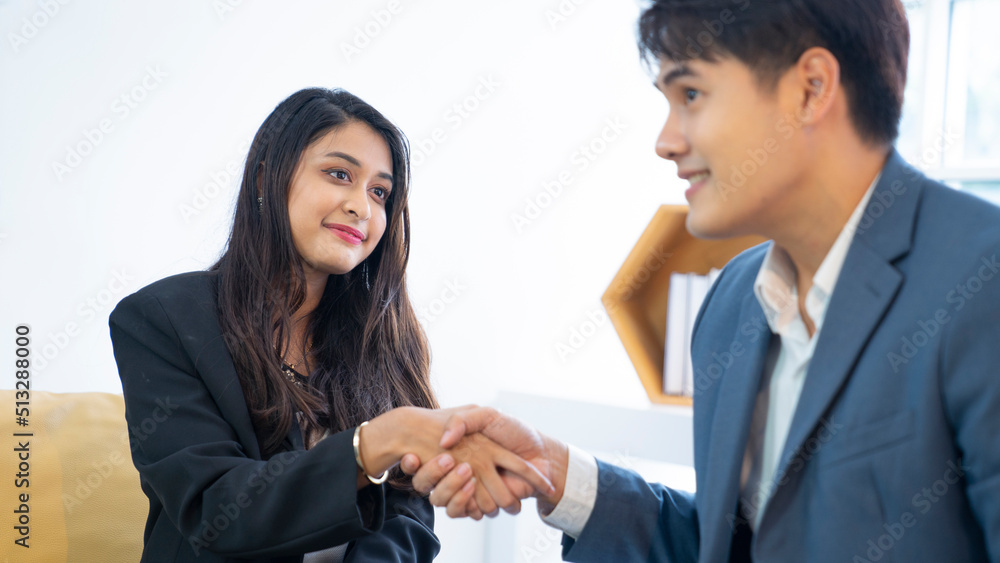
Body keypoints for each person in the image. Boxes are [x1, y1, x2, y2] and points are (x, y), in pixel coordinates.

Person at [402, 0, 1000, 561]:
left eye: (691, 94)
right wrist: (558, 474)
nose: (666, 142)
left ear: (811, 88)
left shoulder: (981, 280)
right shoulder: (734, 303)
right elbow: (735, 545)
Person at [109, 88, 552, 563]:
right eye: (339, 174)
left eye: (379, 192)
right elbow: (216, 509)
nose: (362, 207)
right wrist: (377, 442)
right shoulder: (162, 318)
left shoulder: (386, 338)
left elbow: (407, 517)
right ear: (265, 179)